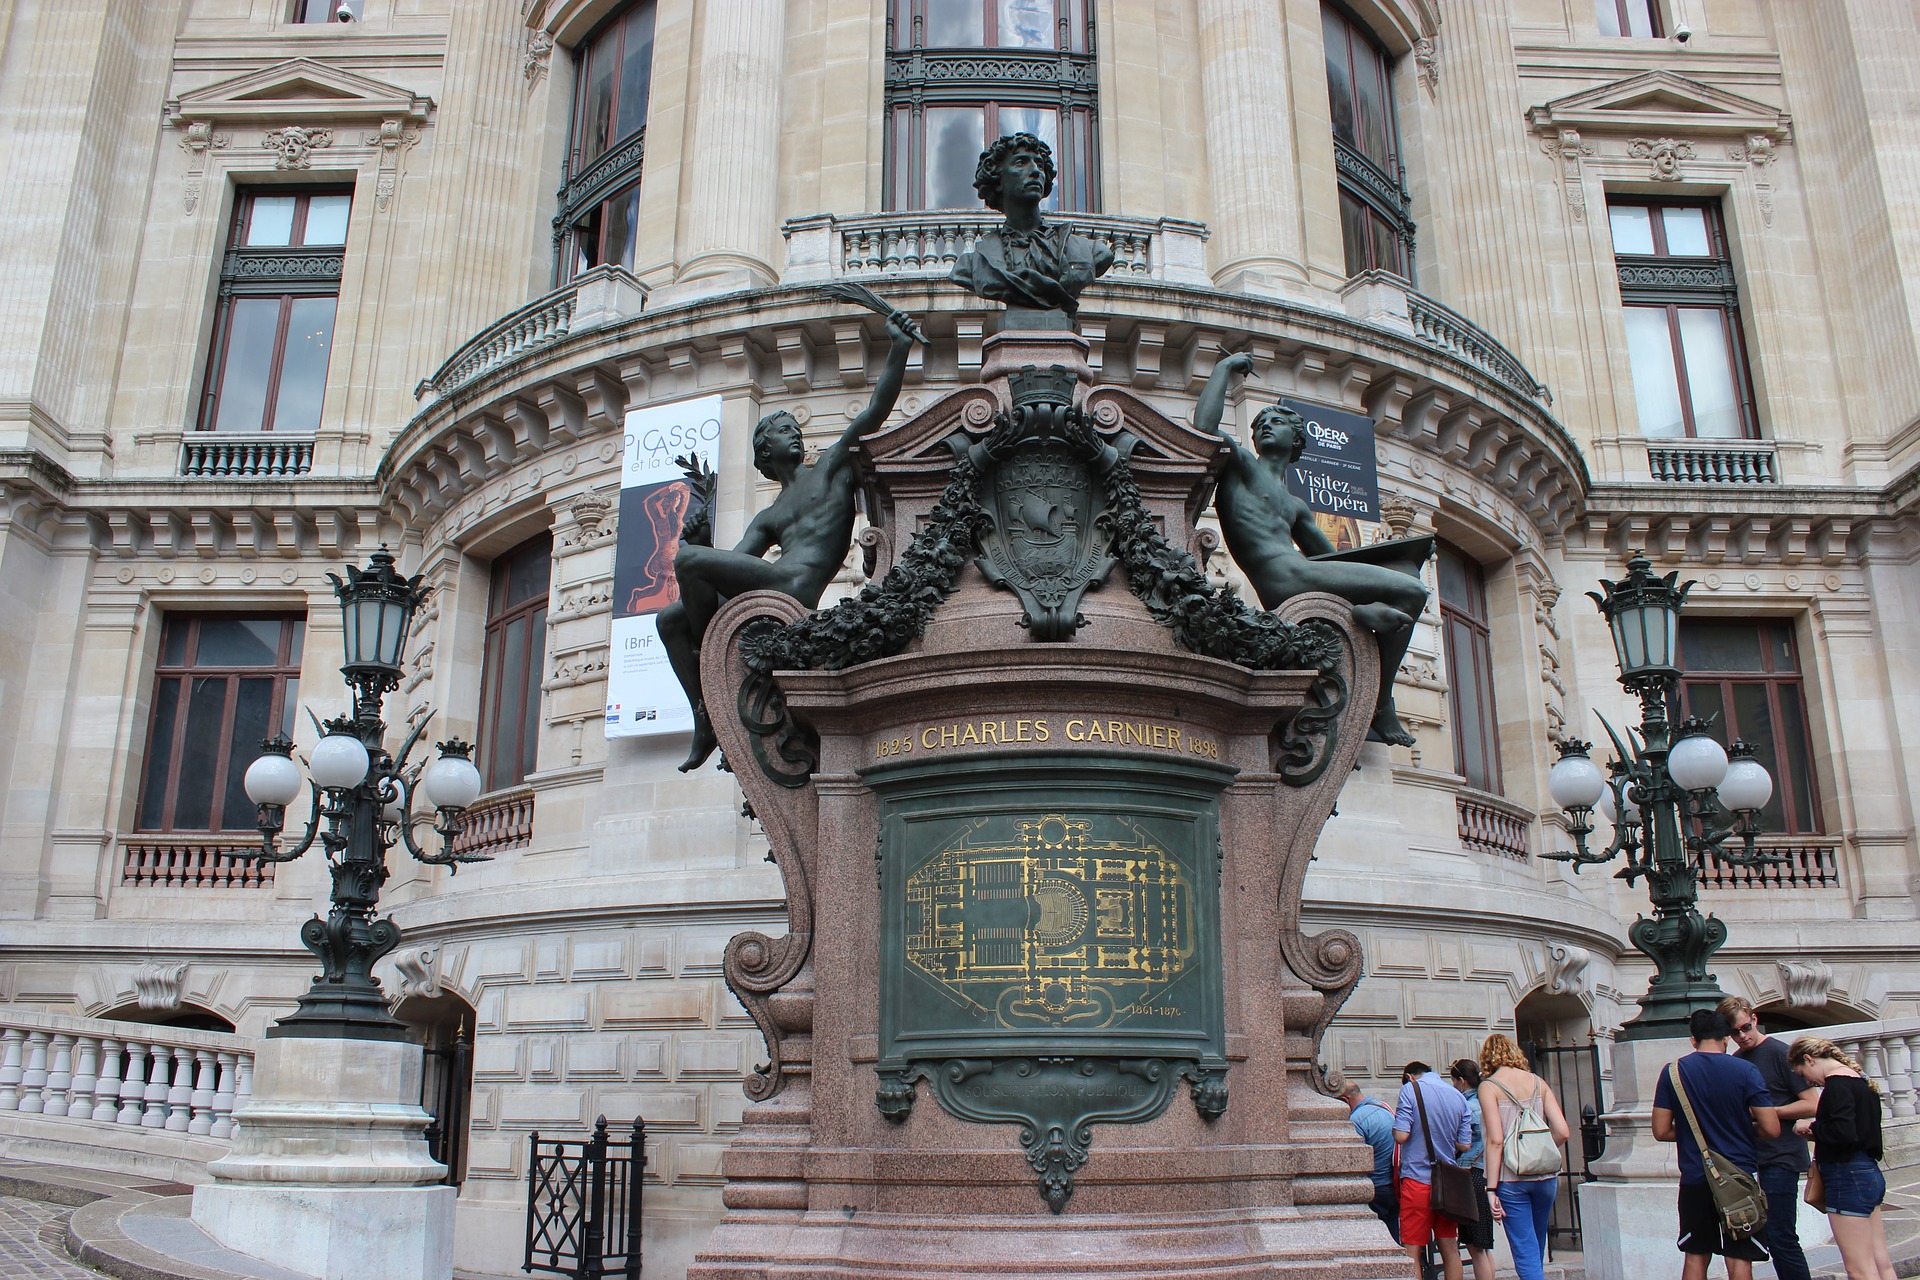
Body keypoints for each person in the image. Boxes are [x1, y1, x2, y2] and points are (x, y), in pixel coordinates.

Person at [658, 310, 924, 771]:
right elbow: (731, 571)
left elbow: (874, 411)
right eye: (783, 430)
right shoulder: (770, 514)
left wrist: (898, 348)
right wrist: (702, 544)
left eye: (795, 429)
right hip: (773, 581)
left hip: (795, 588)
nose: (794, 433)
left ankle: (714, 666)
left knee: (690, 563)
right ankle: (705, 713)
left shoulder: (831, 466)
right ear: (764, 450)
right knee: (668, 619)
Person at [1192, 353, 1430, 745]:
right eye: (1260, 424)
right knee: (1412, 591)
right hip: (1285, 578)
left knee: (1406, 573)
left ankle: (1357, 618)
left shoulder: (1295, 505)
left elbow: (1333, 561)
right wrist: (1222, 370)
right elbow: (1204, 429)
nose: (1266, 426)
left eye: (1277, 422)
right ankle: (1381, 700)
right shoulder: (1243, 467)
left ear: (1296, 439)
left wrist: (1403, 553)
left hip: (1304, 573)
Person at [1651, 1009, 1781, 1280]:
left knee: (1696, 1256)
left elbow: (1661, 1131)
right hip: (1739, 1178)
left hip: (1696, 1177)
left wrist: (1691, 1134)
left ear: (1693, 1039)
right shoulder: (1746, 1070)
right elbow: (1771, 1128)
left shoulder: (1673, 1072)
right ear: (1726, 1038)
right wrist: (1740, 1128)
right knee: (1740, 1257)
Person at [949, 133, 1113, 320]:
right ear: (998, 179)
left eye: (1040, 165)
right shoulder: (974, 264)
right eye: (1021, 162)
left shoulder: (1088, 251)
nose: (1035, 171)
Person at [1720, 995, 1819, 1280]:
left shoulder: (1779, 1053)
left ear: (1755, 1020)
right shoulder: (1736, 1060)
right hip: (1748, 1158)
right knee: (1755, 1236)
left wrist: (1769, 1112)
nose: (1742, 1036)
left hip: (1781, 1156)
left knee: (1781, 1236)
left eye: (1745, 1028)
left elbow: (1811, 1103)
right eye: (1734, 1032)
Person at [1788, 1036, 1895, 1280]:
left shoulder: (1836, 1086)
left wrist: (1812, 1128)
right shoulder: (1861, 1081)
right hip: (1868, 1172)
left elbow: (1843, 1133)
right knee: (1881, 1264)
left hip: (1846, 1176)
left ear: (1809, 1059)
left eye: (1803, 1073)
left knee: (1859, 1269)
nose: (1807, 1081)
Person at [1477, 1033, 1571, 1280]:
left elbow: (1495, 1140)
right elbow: (1562, 1131)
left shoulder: (1489, 1087)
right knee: (1535, 1247)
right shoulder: (1538, 1082)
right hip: (1546, 1176)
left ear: (1487, 1058)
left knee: (1525, 1251)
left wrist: (1491, 1189)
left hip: (1511, 1180)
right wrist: (1538, 1153)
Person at [1395, 1059, 1475, 1280]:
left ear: (1410, 1077)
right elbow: (1464, 1145)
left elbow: (1401, 1136)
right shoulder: (1457, 1096)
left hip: (1417, 1180)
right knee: (1450, 1248)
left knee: (1412, 1251)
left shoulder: (1409, 1090)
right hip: (1448, 1183)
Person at [1334, 1074, 1401, 1242]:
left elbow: (1353, 1162)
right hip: (1392, 1185)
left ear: (1344, 1100)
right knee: (1392, 1235)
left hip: (1375, 1188)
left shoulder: (1356, 1121)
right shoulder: (1384, 1108)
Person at [1448, 1060, 1496, 1280]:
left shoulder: (1465, 1105)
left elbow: (1461, 1141)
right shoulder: (1488, 1101)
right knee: (1484, 1246)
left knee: (1475, 1247)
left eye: (1454, 1080)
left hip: (1470, 1174)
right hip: (1488, 1173)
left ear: (1462, 1081)